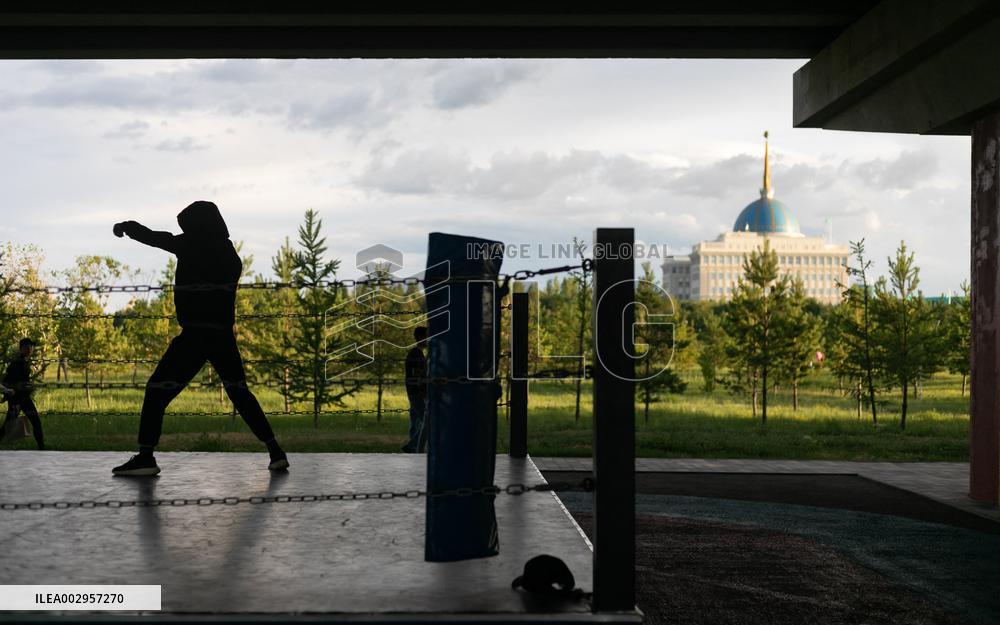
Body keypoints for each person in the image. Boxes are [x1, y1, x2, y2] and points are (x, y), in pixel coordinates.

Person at [111, 201, 288, 476]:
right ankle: (275, 451)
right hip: (223, 337)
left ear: (198, 225)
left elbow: (156, 238)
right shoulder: (231, 256)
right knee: (240, 394)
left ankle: (146, 456)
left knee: (156, 391)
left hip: (194, 336)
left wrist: (126, 227)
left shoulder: (191, 245)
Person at [0, 337, 44, 450]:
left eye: (31, 347)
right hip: (17, 400)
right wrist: (9, 396)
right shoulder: (16, 364)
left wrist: (28, 386)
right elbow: (9, 381)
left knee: (36, 422)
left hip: (24, 398)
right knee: (8, 425)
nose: (29, 349)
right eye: (26, 347)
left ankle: (42, 448)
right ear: (21, 349)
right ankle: (42, 449)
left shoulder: (24, 362)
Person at [401, 326, 428, 453]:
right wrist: (423, 390)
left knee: (415, 419)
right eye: (427, 337)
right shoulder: (417, 353)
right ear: (421, 338)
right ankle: (413, 445)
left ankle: (414, 447)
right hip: (416, 391)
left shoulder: (415, 353)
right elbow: (417, 374)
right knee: (425, 419)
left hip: (412, 391)